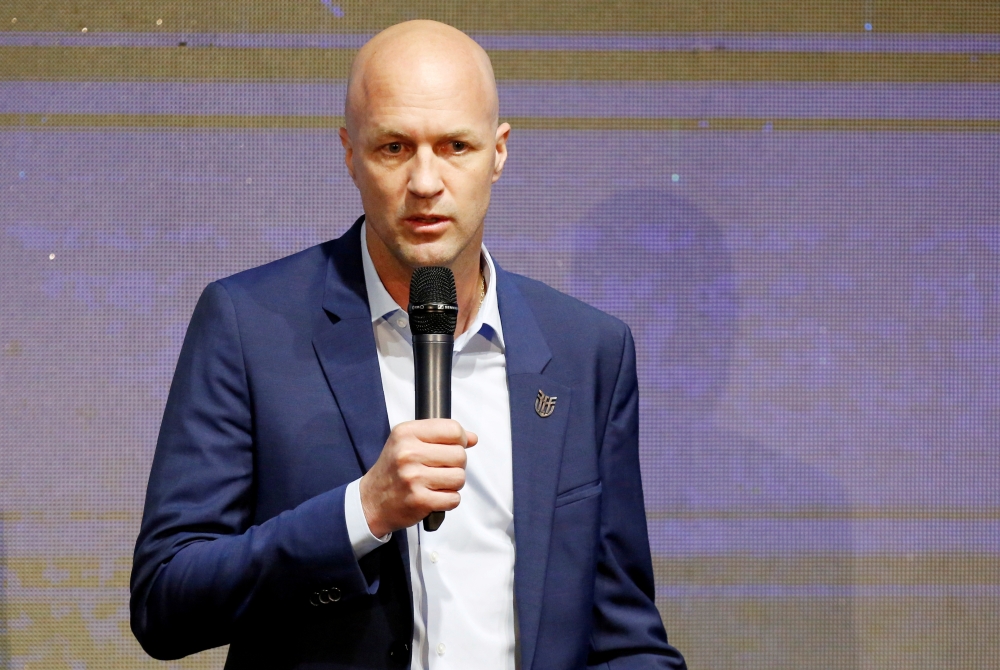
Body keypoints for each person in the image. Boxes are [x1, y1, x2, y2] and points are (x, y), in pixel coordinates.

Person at [130, 20, 686, 670]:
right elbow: (164, 604)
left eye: (455, 146)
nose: (425, 181)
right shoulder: (248, 324)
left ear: (499, 152)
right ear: (348, 152)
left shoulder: (587, 350)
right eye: (394, 148)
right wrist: (361, 512)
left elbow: (624, 637)